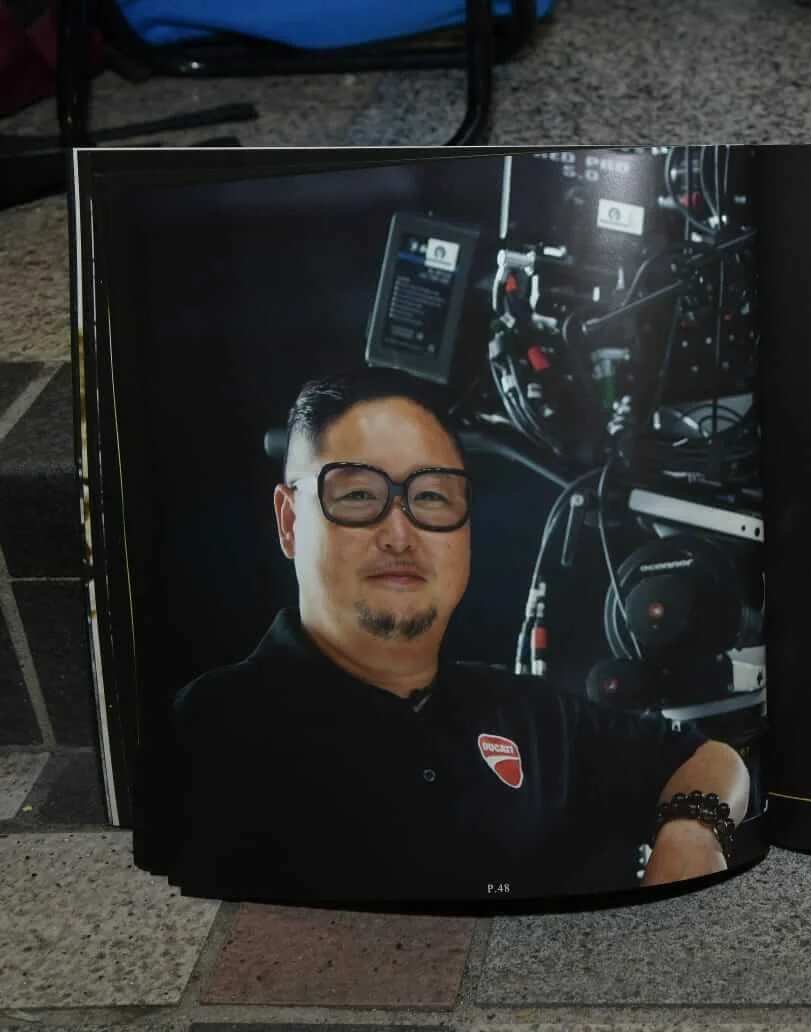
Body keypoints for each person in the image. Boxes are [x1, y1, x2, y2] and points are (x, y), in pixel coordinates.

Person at [161, 366, 752, 903]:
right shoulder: (219, 727)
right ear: (290, 522)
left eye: (431, 497)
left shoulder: (525, 715)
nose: (400, 533)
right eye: (359, 495)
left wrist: (694, 831)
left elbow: (707, 759)